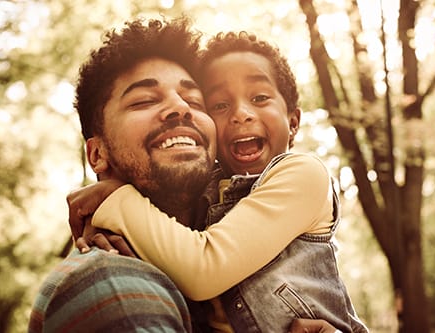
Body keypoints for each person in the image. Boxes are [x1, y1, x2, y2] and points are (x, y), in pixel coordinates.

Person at [29, 17, 338, 333]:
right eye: (144, 100)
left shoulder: (300, 173)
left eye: (194, 100)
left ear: (294, 121)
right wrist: (113, 208)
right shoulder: (114, 286)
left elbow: (204, 266)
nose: (181, 109)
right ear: (97, 154)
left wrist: (115, 203)